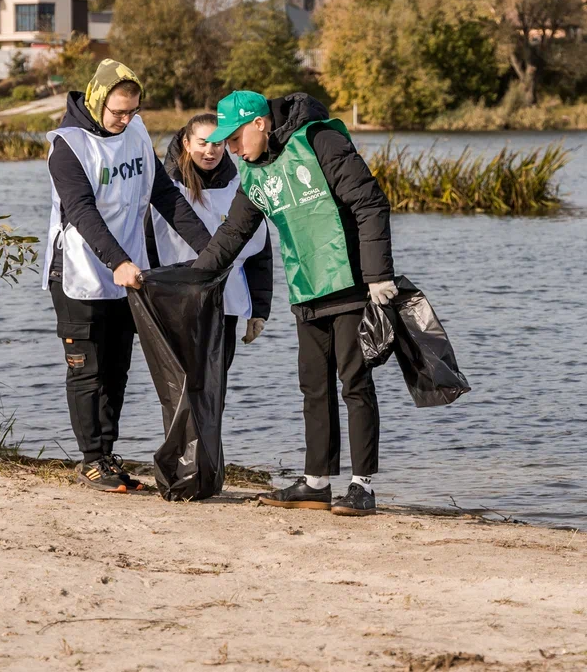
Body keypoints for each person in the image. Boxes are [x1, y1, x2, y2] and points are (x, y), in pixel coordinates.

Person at [191, 90, 397, 517]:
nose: (230, 148)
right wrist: (194, 279)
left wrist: (378, 275)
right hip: (307, 287)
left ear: (260, 124)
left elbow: (370, 201)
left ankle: (363, 488)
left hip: (352, 283)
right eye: (224, 141)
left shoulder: (321, 140)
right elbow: (233, 234)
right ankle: (316, 483)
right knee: (313, 387)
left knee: (354, 385)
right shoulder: (253, 173)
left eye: (235, 138)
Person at [43, 59, 212, 493]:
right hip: (80, 273)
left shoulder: (135, 134)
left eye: (133, 110)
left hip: (128, 275)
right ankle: (91, 460)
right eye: (119, 111)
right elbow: (80, 211)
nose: (126, 119)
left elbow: (164, 195)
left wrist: (211, 249)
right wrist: (117, 260)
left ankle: (108, 454)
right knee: (89, 369)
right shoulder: (68, 146)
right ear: (98, 100)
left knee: (118, 367)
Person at [146, 113, 275, 369]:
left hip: (226, 302)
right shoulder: (165, 189)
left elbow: (259, 252)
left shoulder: (241, 186)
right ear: (186, 143)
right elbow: (149, 249)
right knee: (184, 383)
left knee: (217, 382)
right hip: (177, 304)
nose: (210, 151)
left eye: (217, 143)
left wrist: (258, 311)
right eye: (202, 143)